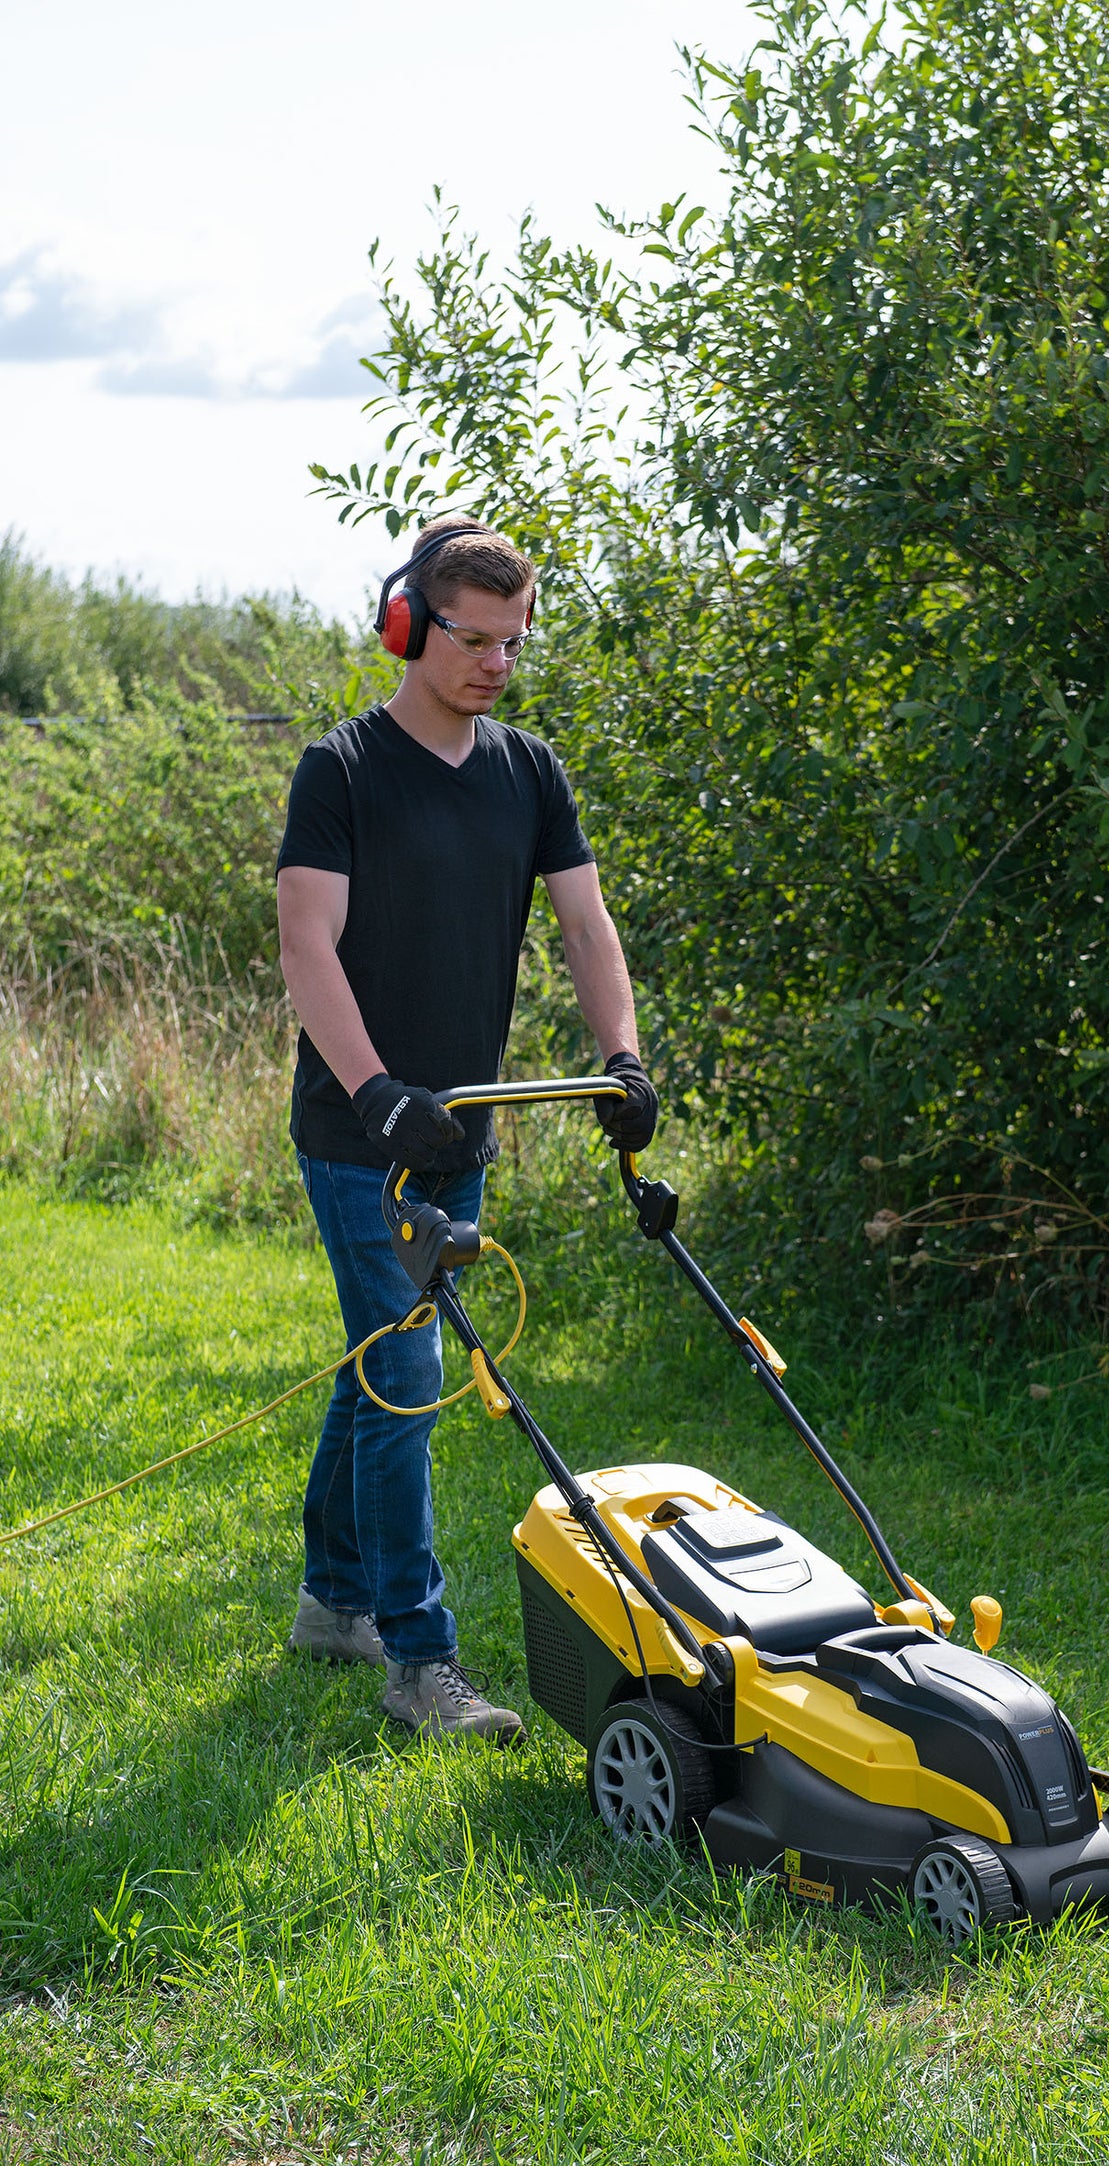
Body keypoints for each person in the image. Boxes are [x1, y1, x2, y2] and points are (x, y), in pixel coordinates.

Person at [275, 512, 657, 1741]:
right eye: (470, 637)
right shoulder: (338, 771)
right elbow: (305, 947)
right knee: (409, 1368)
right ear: (406, 624)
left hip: (462, 1127)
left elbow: (587, 929)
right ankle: (415, 1659)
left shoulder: (529, 771)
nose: (493, 662)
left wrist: (622, 1058)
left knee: (383, 1356)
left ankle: (333, 1597)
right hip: (359, 1128)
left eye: (512, 641)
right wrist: (378, 1089)